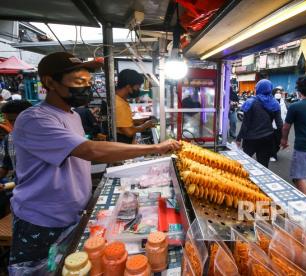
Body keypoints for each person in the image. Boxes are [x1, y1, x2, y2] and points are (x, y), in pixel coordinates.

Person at [9, 52, 180, 266]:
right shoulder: (35, 119)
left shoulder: (71, 115)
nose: (87, 88)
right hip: (42, 221)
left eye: (88, 82)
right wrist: (156, 148)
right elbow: (90, 150)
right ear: (50, 82)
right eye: (79, 82)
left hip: (73, 215)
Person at [236, 79, 282, 168]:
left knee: (244, 164)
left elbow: (245, 123)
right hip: (267, 139)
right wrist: (281, 139)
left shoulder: (251, 102)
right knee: (263, 166)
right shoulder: (275, 103)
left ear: (258, 88)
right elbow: (279, 124)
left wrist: (239, 138)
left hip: (250, 139)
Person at [0, 100, 32, 218]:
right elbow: (4, 166)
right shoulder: (10, 139)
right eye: (10, 120)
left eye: (16, 119)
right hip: (20, 194)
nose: (13, 124)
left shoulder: (49, 137)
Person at [115, 69, 154, 144]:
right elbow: (129, 132)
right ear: (128, 87)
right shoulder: (120, 104)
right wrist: (145, 125)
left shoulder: (118, 99)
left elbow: (121, 123)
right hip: (122, 145)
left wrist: (140, 121)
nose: (138, 90)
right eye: (137, 87)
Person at [271, 86, 287, 162]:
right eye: (277, 92)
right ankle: (273, 155)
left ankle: (273, 153)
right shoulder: (271, 101)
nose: (278, 94)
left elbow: (285, 113)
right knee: (273, 141)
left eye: (279, 92)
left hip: (281, 125)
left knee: (278, 141)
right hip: (272, 126)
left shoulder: (283, 102)